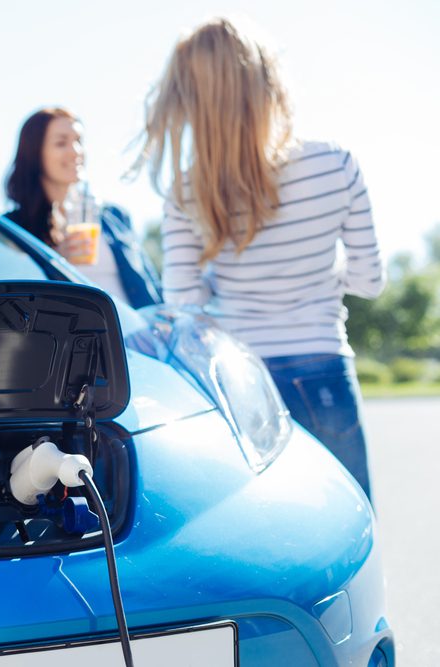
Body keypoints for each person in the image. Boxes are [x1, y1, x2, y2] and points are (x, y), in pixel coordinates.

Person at [132, 18, 384, 499]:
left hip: (242, 383)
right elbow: (370, 282)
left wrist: (221, 282)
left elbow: (184, 307)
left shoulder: (186, 191)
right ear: (268, 80)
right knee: (351, 523)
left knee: (272, 532)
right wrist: (324, 275)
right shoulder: (335, 164)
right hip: (323, 365)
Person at [4, 107, 162, 308]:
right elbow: (13, 299)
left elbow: (150, 282)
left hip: (133, 333)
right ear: (35, 153)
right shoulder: (13, 228)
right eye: (61, 143)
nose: (75, 152)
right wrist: (56, 261)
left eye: (78, 141)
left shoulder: (113, 216)